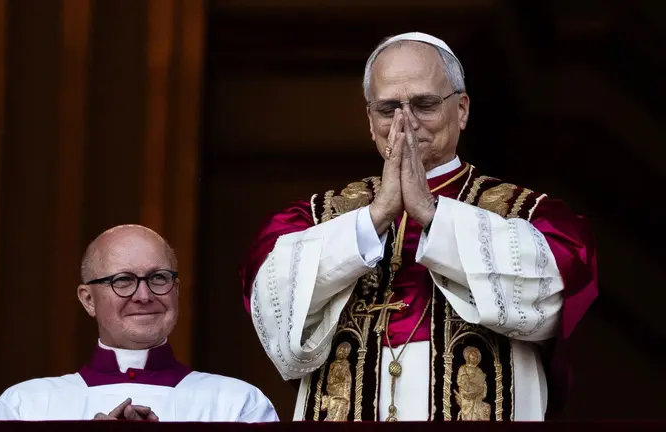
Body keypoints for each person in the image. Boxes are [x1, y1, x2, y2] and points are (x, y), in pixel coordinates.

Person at [240, 32, 597, 422]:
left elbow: (553, 290)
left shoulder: (529, 214)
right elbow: (270, 299)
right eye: (388, 108)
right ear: (370, 120)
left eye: (425, 105)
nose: (405, 122)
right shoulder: (313, 217)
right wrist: (375, 217)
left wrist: (431, 214)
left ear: (462, 109)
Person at [0, 224, 279, 422]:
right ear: (88, 300)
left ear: (175, 290)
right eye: (122, 280)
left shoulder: (237, 405)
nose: (144, 296)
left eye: (158, 277)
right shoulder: (26, 406)